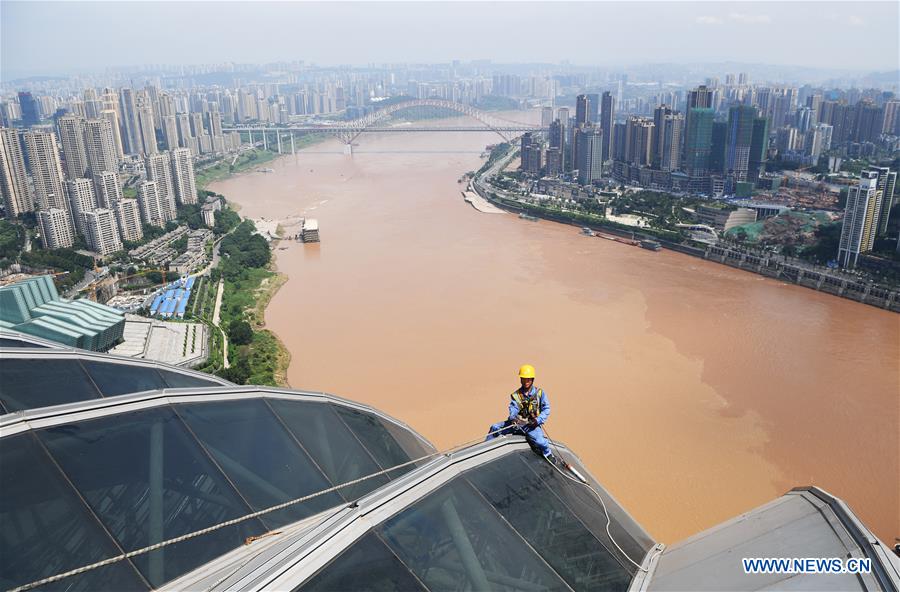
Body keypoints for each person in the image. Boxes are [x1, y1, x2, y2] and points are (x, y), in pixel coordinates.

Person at [486, 364, 555, 462]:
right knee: (495, 428)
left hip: (531, 425)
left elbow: (546, 409)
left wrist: (537, 420)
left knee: (541, 442)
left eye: (528, 379)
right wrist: (513, 417)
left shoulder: (540, 393)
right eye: (523, 379)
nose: (526, 382)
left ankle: (548, 453)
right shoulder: (516, 395)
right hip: (517, 424)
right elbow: (513, 407)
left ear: (532, 379)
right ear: (520, 379)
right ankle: (487, 449)